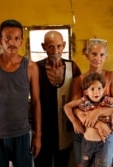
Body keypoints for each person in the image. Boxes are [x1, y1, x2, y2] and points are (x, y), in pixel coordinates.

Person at [0, 19, 41, 167]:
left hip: (22, 135)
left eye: (17, 38)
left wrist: (38, 135)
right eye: (8, 38)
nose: (12, 42)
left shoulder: (31, 67)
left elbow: (36, 102)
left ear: (22, 42)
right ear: (0, 40)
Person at [64, 38, 113, 167]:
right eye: (94, 54)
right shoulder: (79, 80)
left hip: (105, 135)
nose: (98, 58)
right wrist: (95, 123)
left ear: (106, 57)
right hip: (85, 132)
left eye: (102, 55)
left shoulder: (110, 76)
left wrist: (98, 112)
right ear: (87, 56)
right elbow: (75, 108)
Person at [34, 30, 81, 167]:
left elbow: (82, 94)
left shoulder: (72, 67)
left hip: (65, 126)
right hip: (43, 127)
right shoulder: (35, 68)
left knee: (63, 162)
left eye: (59, 46)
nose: (55, 51)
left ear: (64, 45)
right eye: (51, 47)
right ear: (44, 47)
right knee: (42, 162)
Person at [64, 72, 113, 167]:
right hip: (86, 143)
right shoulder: (83, 101)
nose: (96, 92)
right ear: (86, 92)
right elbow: (67, 107)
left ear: (103, 90)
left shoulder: (107, 100)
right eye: (92, 89)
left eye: (99, 88)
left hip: (102, 144)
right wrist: (74, 122)